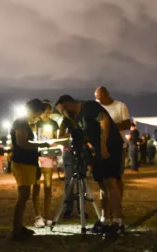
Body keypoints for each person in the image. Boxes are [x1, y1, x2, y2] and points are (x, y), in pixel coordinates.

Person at [55, 95, 125, 235]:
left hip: (110, 145)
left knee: (111, 181)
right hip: (97, 150)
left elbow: (104, 122)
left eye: (62, 110)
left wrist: (104, 145)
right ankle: (105, 219)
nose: (63, 114)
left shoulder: (89, 107)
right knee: (102, 184)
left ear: (68, 104)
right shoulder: (78, 117)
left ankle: (118, 221)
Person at [10, 99, 51, 241]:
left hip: (27, 163)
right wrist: (40, 145)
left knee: (24, 195)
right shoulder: (20, 123)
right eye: (38, 114)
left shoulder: (23, 123)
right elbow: (22, 142)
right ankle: (16, 229)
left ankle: (19, 227)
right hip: (23, 163)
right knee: (23, 195)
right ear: (34, 111)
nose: (38, 117)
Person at [94, 86, 131, 201]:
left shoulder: (120, 106)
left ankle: (118, 206)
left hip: (118, 145)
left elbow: (127, 124)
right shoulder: (98, 108)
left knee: (117, 177)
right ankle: (108, 208)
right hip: (102, 146)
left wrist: (109, 127)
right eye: (96, 98)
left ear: (106, 95)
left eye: (99, 98)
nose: (98, 101)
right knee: (104, 178)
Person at [32, 100, 59, 228]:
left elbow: (56, 138)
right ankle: (38, 216)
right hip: (37, 155)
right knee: (36, 186)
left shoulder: (53, 123)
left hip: (48, 154)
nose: (46, 113)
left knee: (48, 187)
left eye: (49, 111)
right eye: (44, 111)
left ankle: (47, 215)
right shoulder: (35, 123)